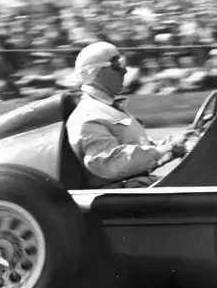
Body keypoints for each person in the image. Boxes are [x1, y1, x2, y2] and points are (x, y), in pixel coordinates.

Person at [66, 41, 194, 188]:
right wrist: (165, 149)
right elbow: (111, 163)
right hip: (119, 197)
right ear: (97, 72)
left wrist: (176, 143)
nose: (124, 71)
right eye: (117, 65)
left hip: (137, 188)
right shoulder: (89, 114)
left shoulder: (109, 108)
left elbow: (144, 148)